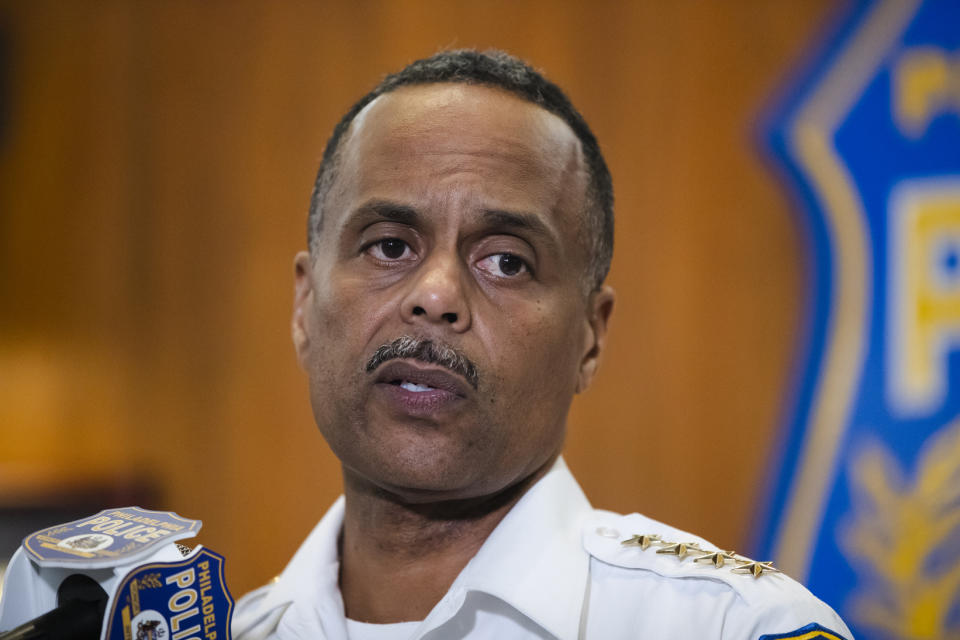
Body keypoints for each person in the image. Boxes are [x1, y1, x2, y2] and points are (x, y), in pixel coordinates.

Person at [232, 50, 852, 640]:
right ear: (304, 306)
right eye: (390, 246)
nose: (436, 295)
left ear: (590, 337)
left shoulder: (736, 626)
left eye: (506, 261)